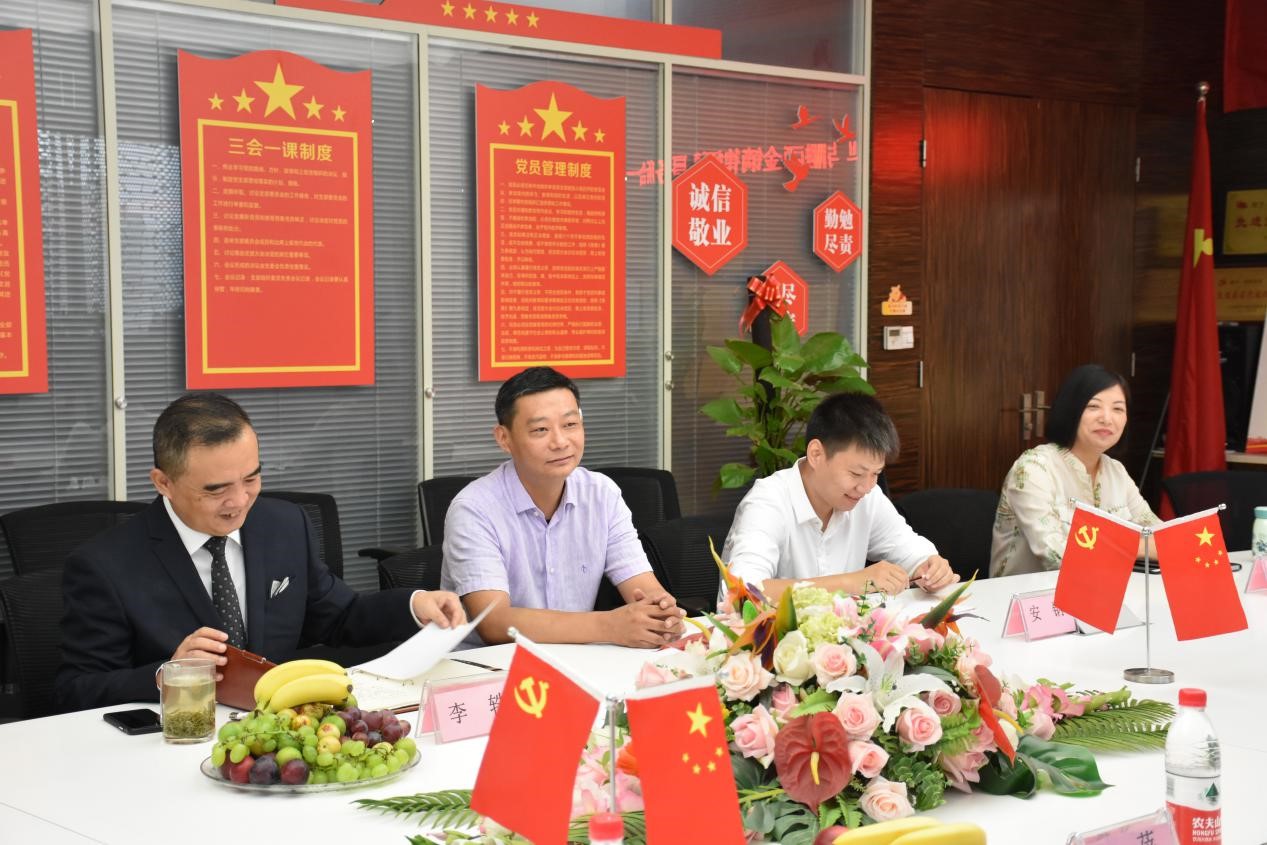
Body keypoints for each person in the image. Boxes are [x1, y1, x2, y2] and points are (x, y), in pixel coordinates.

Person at [55, 393, 466, 713]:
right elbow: (75, 690)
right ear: (163, 482)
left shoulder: (283, 525)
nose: (239, 501)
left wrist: (415, 606)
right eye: (216, 489)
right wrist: (167, 675)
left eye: (251, 478)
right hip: (176, 739)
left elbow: (338, 616)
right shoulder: (106, 565)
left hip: (280, 729)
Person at [441, 366, 685, 647]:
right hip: (488, 666)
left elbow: (643, 587)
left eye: (570, 425)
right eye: (540, 430)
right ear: (504, 438)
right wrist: (610, 625)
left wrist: (661, 614)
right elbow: (494, 623)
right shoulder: (474, 509)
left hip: (576, 660)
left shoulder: (602, 494)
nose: (560, 442)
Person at [723, 392, 959, 600]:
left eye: (876, 474)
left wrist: (930, 567)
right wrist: (851, 582)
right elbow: (743, 592)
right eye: (856, 473)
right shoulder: (767, 502)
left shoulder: (867, 497)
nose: (866, 487)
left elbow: (909, 549)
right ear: (816, 454)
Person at [990, 364, 1159, 577]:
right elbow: (1057, 555)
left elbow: (1161, 536)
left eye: (1118, 409)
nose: (1107, 418)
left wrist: (1145, 546)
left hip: (1101, 589)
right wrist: (1135, 546)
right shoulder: (1033, 468)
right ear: (1070, 410)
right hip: (1028, 594)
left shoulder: (1116, 472)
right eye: (1093, 406)